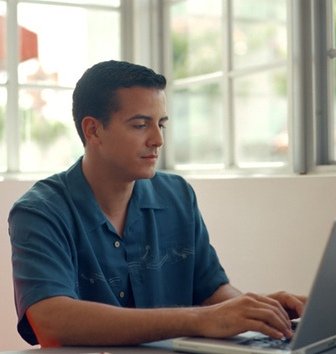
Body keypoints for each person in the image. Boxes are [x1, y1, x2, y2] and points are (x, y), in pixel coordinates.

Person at [8, 60, 306, 347]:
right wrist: (199, 319)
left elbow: (211, 292)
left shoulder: (177, 195)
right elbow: (51, 320)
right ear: (93, 130)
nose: (157, 140)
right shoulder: (39, 212)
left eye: (161, 124)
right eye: (140, 125)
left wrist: (261, 311)